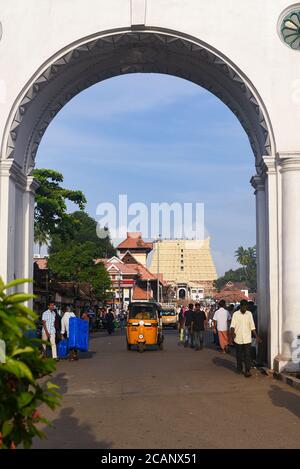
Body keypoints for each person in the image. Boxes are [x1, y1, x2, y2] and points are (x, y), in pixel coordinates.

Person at [230, 299, 262, 377]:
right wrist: (232, 333)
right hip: (238, 338)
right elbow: (232, 326)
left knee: (248, 355)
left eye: (246, 307)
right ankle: (239, 368)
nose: (245, 309)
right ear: (240, 306)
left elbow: (252, 326)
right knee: (239, 355)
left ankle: (247, 370)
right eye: (243, 307)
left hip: (247, 338)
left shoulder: (249, 314)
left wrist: (257, 336)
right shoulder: (235, 314)